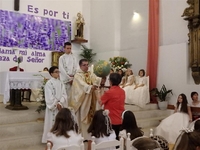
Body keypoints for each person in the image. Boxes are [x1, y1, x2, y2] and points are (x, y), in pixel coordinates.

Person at [69, 59, 102, 140]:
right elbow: (81, 85)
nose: (86, 66)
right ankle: (83, 136)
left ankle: (90, 135)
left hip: (91, 99)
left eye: (87, 65)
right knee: (83, 115)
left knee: (92, 115)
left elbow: (96, 79)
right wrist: (90, 87)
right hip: (83, 100)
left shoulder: (90, 73)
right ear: (80, 66)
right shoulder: (77, 75)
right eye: (84, 65)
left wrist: (100, 79)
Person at [42, 66, 68, 143]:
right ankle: (51, 140)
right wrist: (56, 104)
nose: (58, 73)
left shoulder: (61, 83)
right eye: (56, 72)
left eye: (58, 72)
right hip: (53, 107)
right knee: (52, 123)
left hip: (60, 106)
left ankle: (59, 139)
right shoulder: (49, 83)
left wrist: (61, 103)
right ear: (51, 74)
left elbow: (64, 94)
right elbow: (49, 97)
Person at [100, 73, 125, 140]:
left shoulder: (109, 92)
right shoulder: (122, 91)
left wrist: (97, 93)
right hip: (120, 118)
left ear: (110, 81)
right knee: (118, 140)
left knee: (111, 140)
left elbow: (100, 102)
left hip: (111, 120)